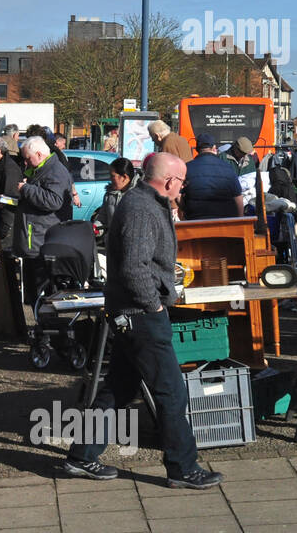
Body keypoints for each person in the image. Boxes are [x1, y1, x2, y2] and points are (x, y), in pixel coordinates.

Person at [62, 152, 224, 490]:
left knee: (119, 389)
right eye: (180, 182)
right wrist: (154, 306)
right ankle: (183, 467)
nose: (182, 188)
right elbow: (134, 267)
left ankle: (81, 456)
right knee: (172, 392)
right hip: (140, 315)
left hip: (132, 313)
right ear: (168, 181)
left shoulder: (145, 203)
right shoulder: (140, 208)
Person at [14, 136, 74, 300]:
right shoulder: (43, 169)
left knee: (44, 292)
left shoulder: (55, 171)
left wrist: (27, 189)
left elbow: (54, 201)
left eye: (27, 158)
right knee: (35, 293)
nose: (25, 162)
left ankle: (45, 322)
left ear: (39, 154)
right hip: (36, 239)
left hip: (42, 241)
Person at [182, 134, 243, 219]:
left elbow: (179, 196)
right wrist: (240, 219)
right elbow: (238, 197)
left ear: (196, 149)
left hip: (195, 220)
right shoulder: (227, 167)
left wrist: (184, 212)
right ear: (214, 148)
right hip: (225, 220)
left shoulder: (186, 168)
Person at [92, 157, 136, 235]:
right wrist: (96, 227)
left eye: (112, 176)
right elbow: (102, 218)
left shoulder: (138, 196)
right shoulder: (109, 195)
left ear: (124, 177)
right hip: (112, 244)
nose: (110, 179)